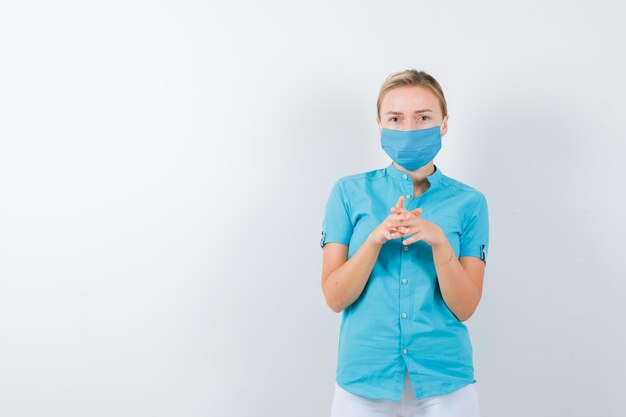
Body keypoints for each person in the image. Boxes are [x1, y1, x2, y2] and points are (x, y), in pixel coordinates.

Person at [320, 69, 489, 417]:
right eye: (395, 118)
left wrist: (441, 243)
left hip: (447, 383)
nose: (409, 129)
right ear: (380, 126)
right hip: (363, 380)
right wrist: (375, 239)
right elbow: (335, 297)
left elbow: (466, 306)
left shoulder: (470, 203)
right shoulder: (348, 193)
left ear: (443, 124)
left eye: (423, 117)